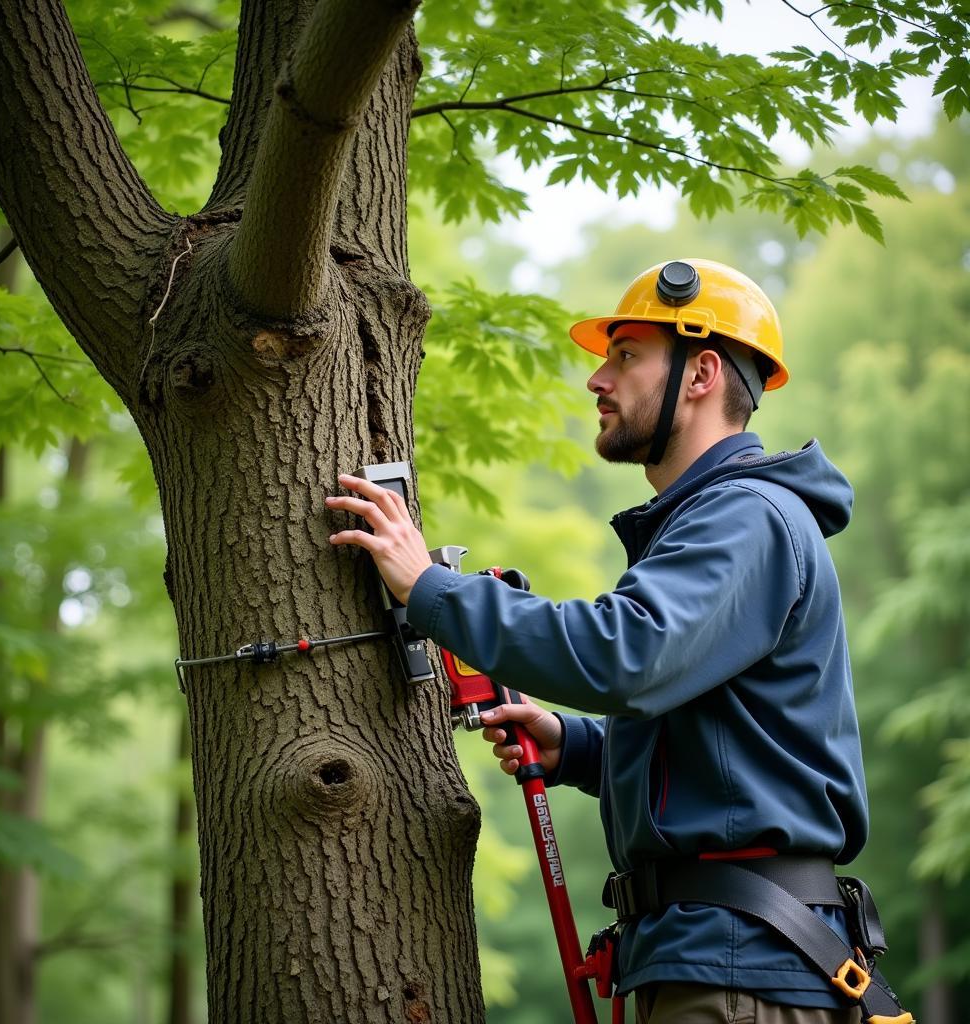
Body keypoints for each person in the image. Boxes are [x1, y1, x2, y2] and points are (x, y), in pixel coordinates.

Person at [325, 259, 910, 1024]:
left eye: (626, 355)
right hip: (727, 954)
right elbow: (731, 753)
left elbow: (622, 653)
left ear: (701, 373)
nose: (598, 379)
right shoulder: (720, 522)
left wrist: (427, 588)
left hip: (740, 968)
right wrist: (582, 748)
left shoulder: (744, 518)